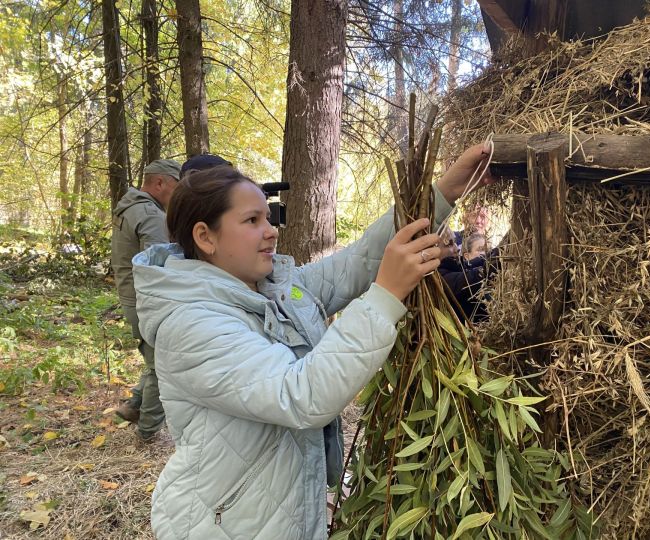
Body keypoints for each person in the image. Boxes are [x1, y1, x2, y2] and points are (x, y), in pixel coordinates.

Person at [132, 144, 492, 539]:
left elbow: (356, 264)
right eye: (252, 220)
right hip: (223, 524)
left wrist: (444, 191)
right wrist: (386, 296)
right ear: (205, 236)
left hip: (277, 513)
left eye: (268, 218)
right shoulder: (191, 323)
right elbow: (301, 394)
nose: (271, 231)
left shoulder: (271, 290)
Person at [111, 158, 181, 441]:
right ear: (160, 183)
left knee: (154, 357)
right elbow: (158, 267)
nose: (178, 196)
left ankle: (135, 406)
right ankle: (149, 432)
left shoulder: (131, 207)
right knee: (161, 366)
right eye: (176, 188)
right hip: (146, 301)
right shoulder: (151, 215)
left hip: (132, 296)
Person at [439, 233, 498, 324]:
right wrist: (500, 257)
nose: (457, 248)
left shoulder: (460, 266)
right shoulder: (440, 277)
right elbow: (471, 278)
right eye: (449, 243)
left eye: (454, 242)